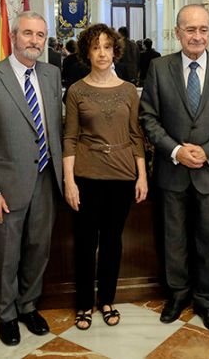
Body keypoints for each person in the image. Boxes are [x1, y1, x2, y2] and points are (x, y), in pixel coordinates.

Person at [140, 4, 209, 333]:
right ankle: (177, 295)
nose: (197, 36)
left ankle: (205, 300)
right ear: (177, 33)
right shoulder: (159, 68)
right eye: (190, 29)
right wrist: (176, 151)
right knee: (174, 239)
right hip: (172, 172)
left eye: (203, 29)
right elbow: (148, 118)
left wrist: (207, 151)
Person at [0, 11, 63, 346]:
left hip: (46, 180)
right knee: (7, 254)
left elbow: (55, 129)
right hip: (6, 187)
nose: (34, 41)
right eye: (27, 34)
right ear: (13, 35)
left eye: (40, 35)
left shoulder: (52, 75)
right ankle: (6, 314)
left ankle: (28, 305)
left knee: (39, 249)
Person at [63, 24, 148, 330]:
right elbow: (70, 137)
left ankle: (107, 300)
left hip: (123, 175)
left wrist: (143, 176)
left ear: (115, 51)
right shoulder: (76, 91)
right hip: (87, 175)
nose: (102, 52)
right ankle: (85, 303)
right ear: (87, 51)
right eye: (96, 46)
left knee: (112, 240)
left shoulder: (127, 90)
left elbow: (136, 134)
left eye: (107, 47)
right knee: (86, 242)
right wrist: (69, 181)